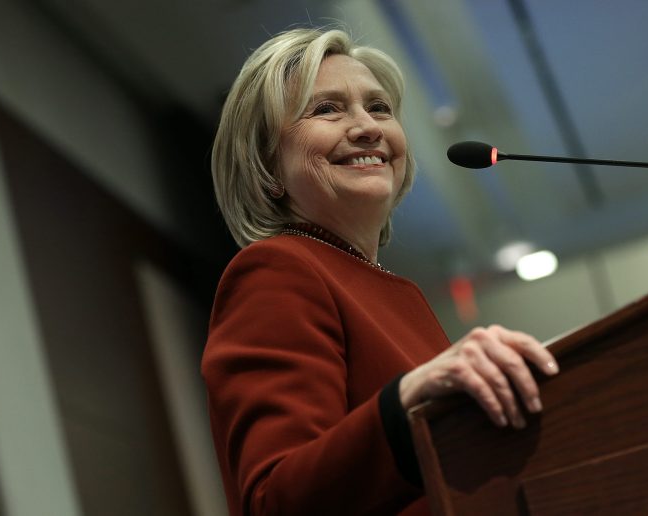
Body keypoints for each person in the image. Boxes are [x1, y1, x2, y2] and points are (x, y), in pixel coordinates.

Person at [202, 27, 559, 515]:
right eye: (327, 109)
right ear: (266, 166)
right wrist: (405, 401)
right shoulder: (274, 272)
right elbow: (276, 500)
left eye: (379, 108)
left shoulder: (392, 292)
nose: (368, 127)